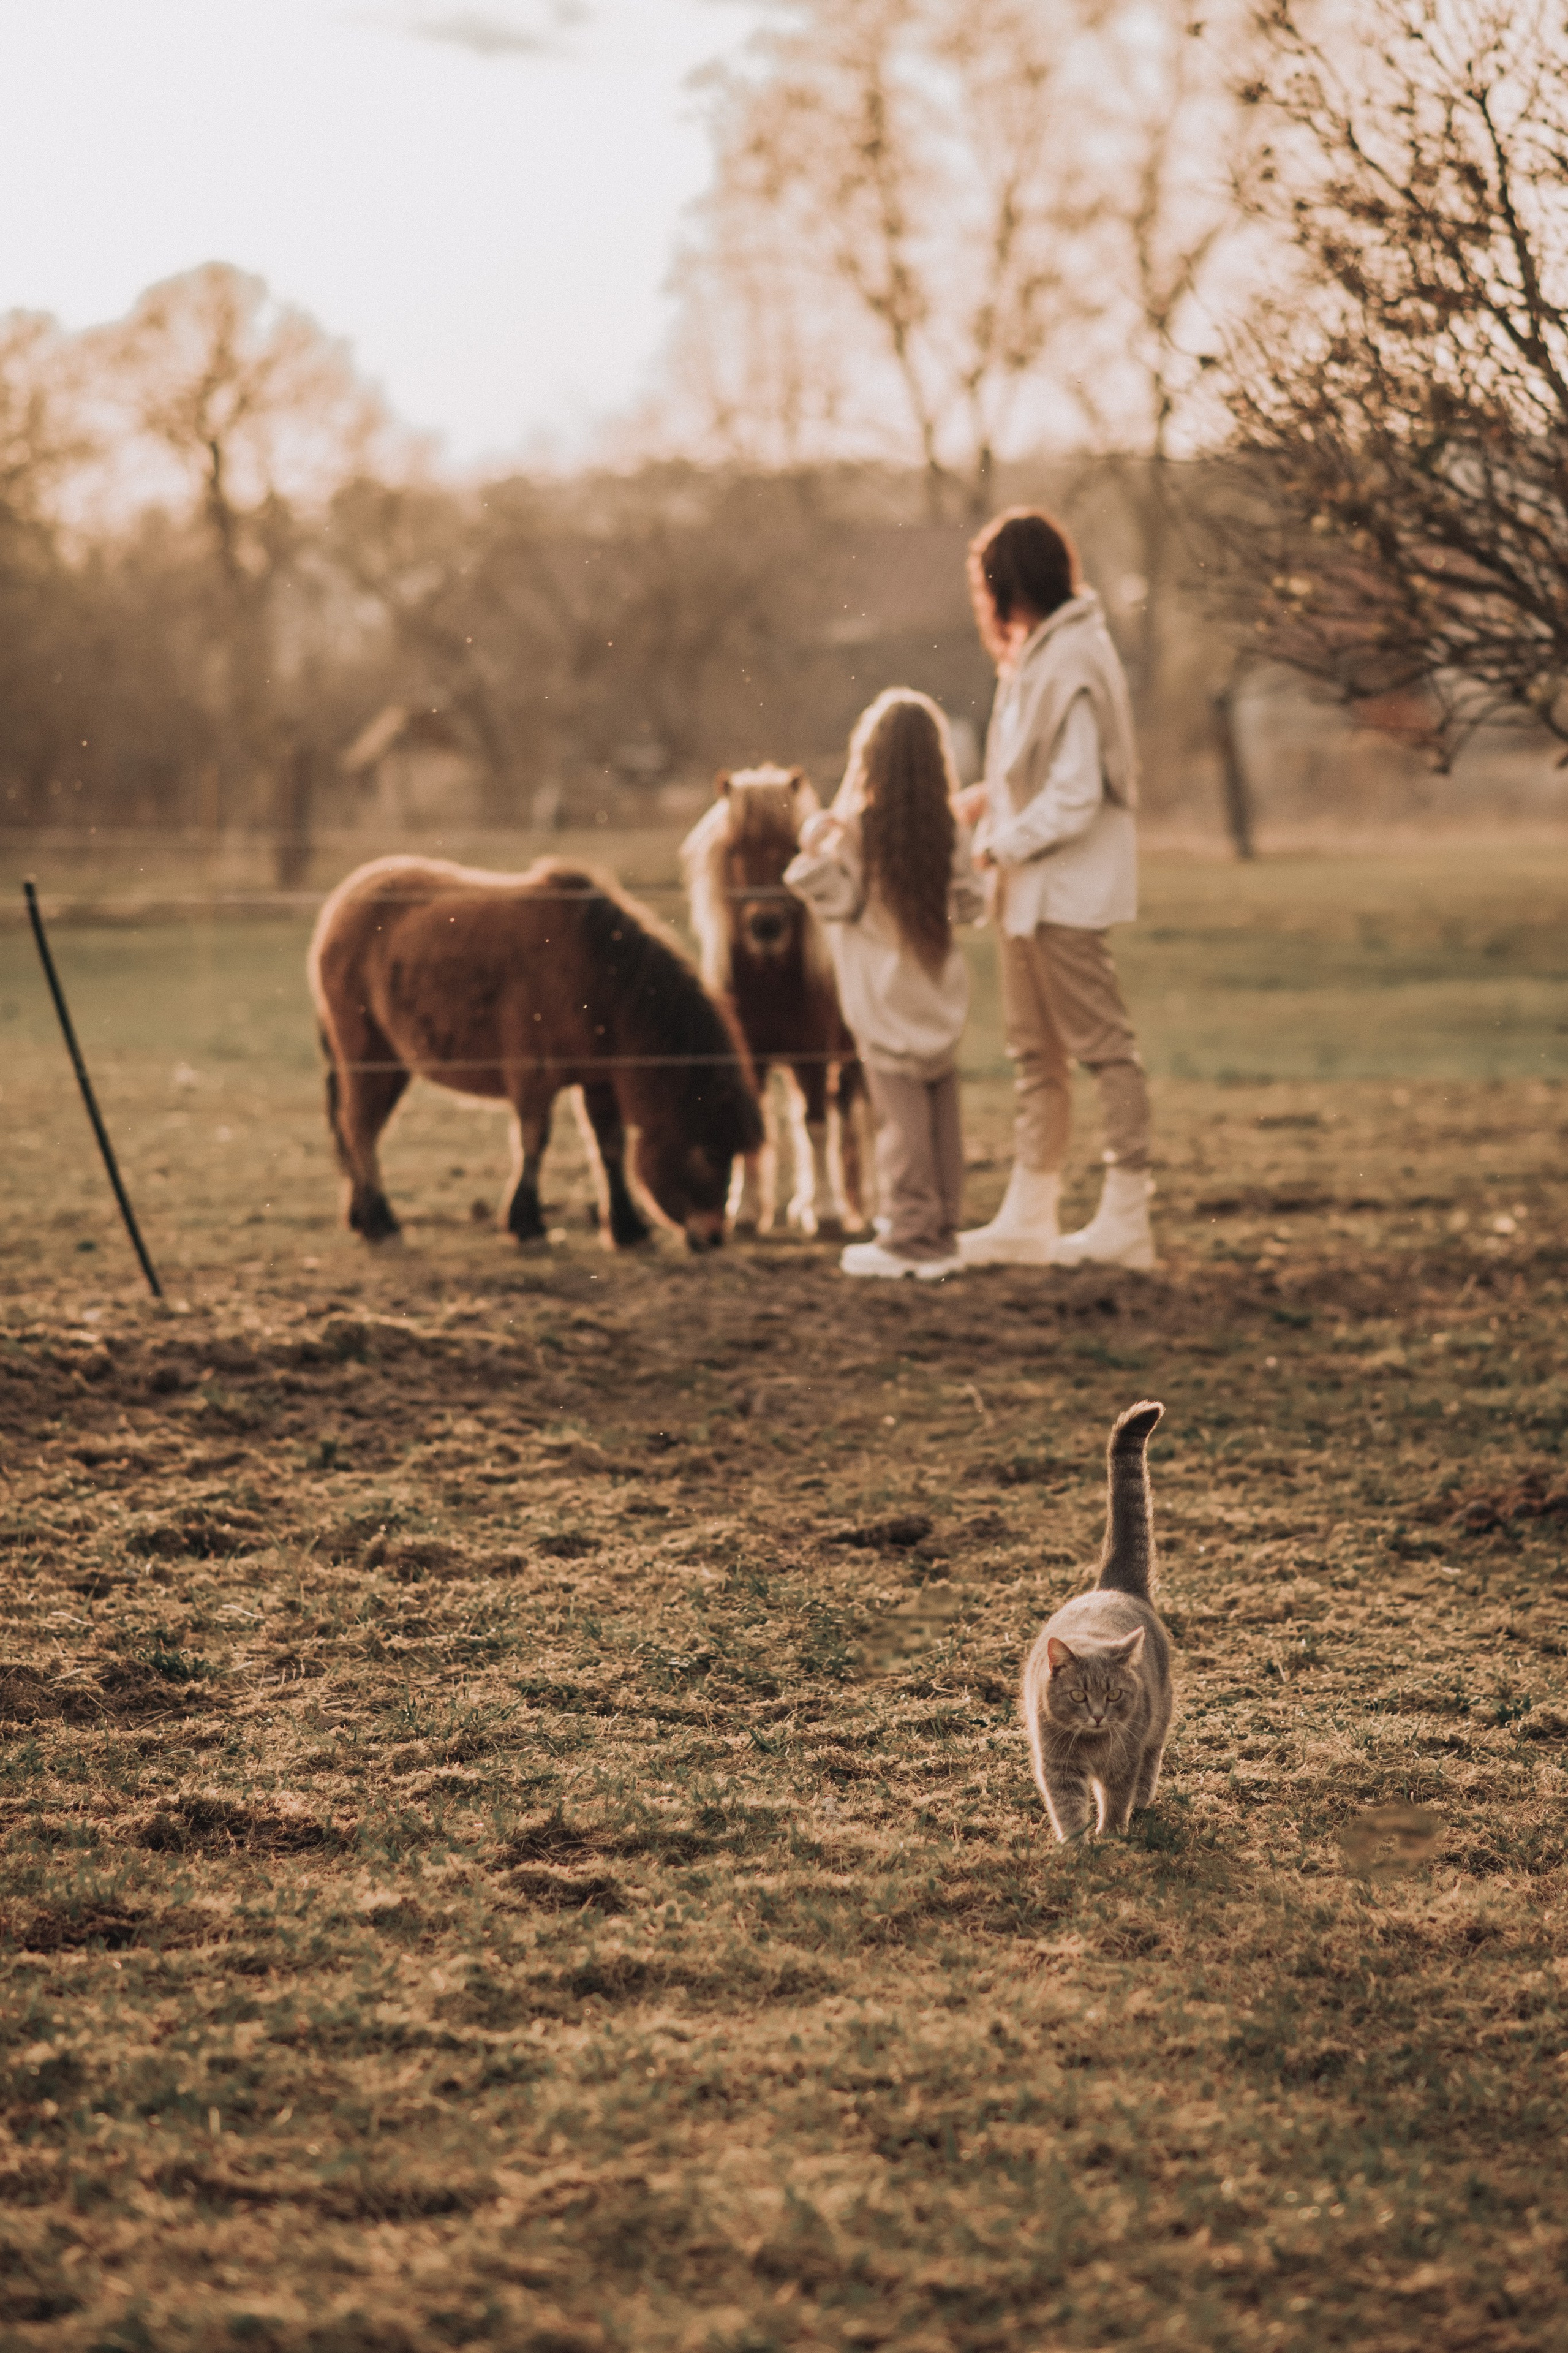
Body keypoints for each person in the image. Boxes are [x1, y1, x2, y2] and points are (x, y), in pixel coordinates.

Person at [954, 508, 1155, 1271]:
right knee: (1035, 1056)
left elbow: (1075, 793)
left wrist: (998, 842)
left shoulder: (1072, 658)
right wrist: (983, 802)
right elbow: (1036, 775)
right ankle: (1029, 1215)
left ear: (1006, 585)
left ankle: (1127, 1217)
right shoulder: (1039, 656)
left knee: (1104, 1050)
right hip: (1026, 894)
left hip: (1061, 893)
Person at [783, 689, 984, 1280]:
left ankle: (909, 1234)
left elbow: (838, 901)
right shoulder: (946, 831)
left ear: (869, 757)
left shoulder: (859, 832)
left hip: (881, 995)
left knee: (899, 1121)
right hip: (937, 992)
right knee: (940, 1111)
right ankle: (944, 1224)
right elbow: (970, 902)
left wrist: (811, 844)